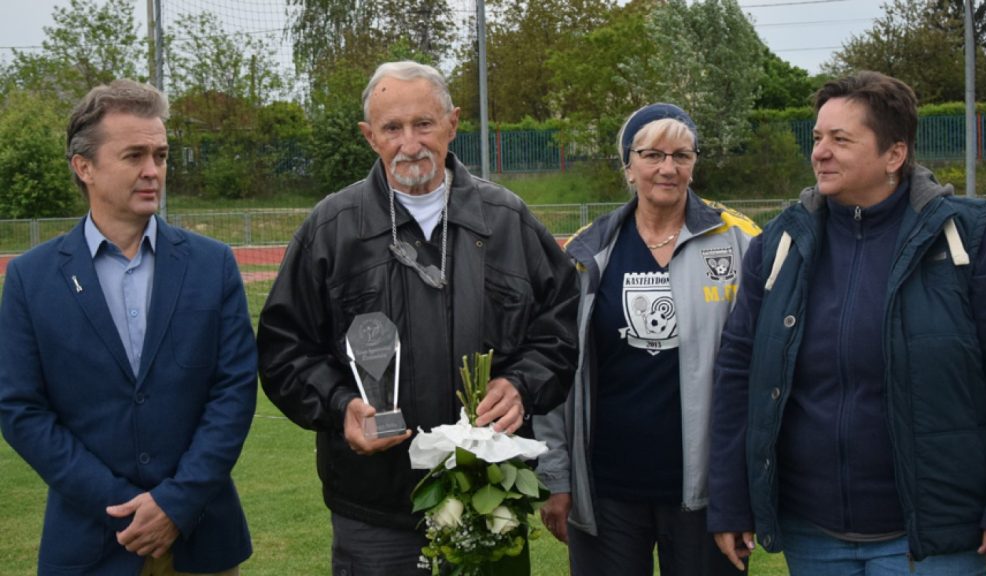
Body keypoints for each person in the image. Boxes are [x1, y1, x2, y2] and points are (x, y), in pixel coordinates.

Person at [256, 60, 579, 576]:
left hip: (488, 498)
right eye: (392, 128)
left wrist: (522, 385)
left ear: (452, 123)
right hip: (377, 512)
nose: (410, 143)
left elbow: (560, 331)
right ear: (369, 136)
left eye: (424, 124)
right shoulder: (331, 230)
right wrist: (341, 408)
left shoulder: (509, 222)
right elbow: (283, 350)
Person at [708, 71, 986, 575]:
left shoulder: (975, 241)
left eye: (840, 139)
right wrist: (728, 497)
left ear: (894, 155)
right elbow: (737, 374)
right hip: (813, 536)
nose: (820, 152)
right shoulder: (778, 245)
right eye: (816, 138)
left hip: (935, 540)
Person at [0, 79, 257, 575]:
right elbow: (21, 409)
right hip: (90, 543)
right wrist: (123, 506)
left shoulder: (212, 264)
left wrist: (176, 504)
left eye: (160, 155)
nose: (152, 171)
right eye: (134, 156)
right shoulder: (32, 279)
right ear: (84, 167)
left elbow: (234, 391)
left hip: (201, 540)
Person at [532, 103, 759, 575]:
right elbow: (557, 368)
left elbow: (758, 371)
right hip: (607, 492)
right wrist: (555, 474)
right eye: (652, 154)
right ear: (628, 166)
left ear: (695, 163)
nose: (668, 168)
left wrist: (742, 487)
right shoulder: (586, 251)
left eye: (682, 155)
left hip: (704, 495)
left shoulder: (738, 244)